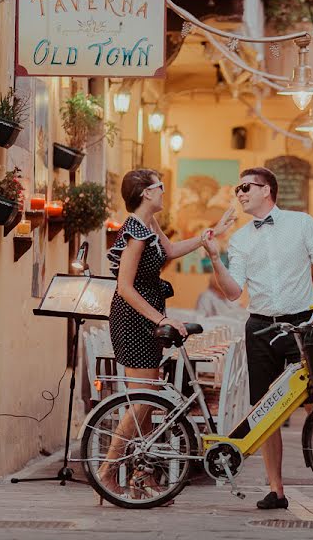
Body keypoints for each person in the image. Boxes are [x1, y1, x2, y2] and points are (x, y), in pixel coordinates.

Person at [202, 167, 313, 510]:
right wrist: (215, 258)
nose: (240, 193)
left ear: (267, 190)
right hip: (261, 327)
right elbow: (233, 292)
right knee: (265, 411)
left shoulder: (301, 223)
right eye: (238, 189)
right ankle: (276, 490)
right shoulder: (241, 239)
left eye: (246, 187)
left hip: (301, 324)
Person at [96, 168, 235, 502]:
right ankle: (107, 472)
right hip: (133, 320)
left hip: (148, 320)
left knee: (148, 401)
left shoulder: (149, 226)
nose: (164, 191)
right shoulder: (135, 233)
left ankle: (140, 476)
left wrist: (208, 235)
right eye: (160, 187)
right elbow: (125, 288)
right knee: (142, 402)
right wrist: (162, 319)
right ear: (146, 193)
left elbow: (170, 251)